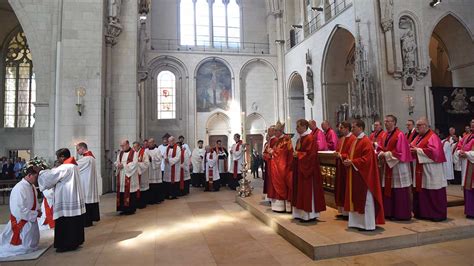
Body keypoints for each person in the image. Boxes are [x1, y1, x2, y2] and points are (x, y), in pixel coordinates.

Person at [38, 148, 86, 252]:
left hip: (66, 199)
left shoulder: (65, 167)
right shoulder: (74, 166)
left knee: (65, 222)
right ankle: (75, 242)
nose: (58, 160)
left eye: (58, 157)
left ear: (62, 157)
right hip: (73, 198)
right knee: (74, 221)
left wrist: (40, 172)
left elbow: (50, 177)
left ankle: (65, 245)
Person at [343, 119, 385, 231]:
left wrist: (352, 162)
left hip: (364, 177)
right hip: (355, 175)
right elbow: (351, 155)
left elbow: (367, 160)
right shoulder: (356, 141)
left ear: (360, 128)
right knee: (356, 199)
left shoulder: (366, 141)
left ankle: (367, 224)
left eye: (354, 127)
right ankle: (357, 223)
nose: (352, 129)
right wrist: (348, 160)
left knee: (365, 201)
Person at [0, 160, 42, 257]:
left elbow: (35, 200)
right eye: (35, 177)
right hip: (22, 220)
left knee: (32, 243)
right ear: (29, 175)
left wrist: (38, 210)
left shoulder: (31, 186)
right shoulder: (19, 188)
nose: (36, 180)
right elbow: (17, 209)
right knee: (23, 246)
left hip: (30, 219)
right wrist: (34, 214)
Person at [410, 118, 448, 222]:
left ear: (426, 125)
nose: (417, 127)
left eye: (419, 125)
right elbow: (413, 146)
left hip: (432, 169)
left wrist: (417, 150)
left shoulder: (433, 136)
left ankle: (436, 214)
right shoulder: (418, 137)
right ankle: (423, 213)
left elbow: (435, 152)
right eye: (417, 125)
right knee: (423, 191)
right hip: (421, 168)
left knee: (432, 192)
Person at [378, 115, 413, 221]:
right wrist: (379, 153)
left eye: (388, 121)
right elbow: (380, 147)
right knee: (389, 189)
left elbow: (400, 152)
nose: (386, 123)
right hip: (388, 166)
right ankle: (389, 212)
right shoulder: (384, 135)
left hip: (398, 166)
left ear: (394, 122)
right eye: (385, 121)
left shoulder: (400, 135)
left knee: (399, 189)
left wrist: (386, 154)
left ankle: (401, 214)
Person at [292, 119, 326, 222]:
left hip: (308, 170)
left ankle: (309, 215)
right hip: (300, 169)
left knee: (307, 191)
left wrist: (298, 155)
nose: (296, 128)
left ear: (304, 127)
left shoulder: (310, 138)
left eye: (298, 126)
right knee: (300, 191)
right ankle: (300, 214)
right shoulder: (299, 139)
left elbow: (311, 155)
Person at [268, 121, 293, 212]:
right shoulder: (278, 140)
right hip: (276, 165)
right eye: (274, 131)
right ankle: (278, 206)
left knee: (283, 184)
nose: (274, 133)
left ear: (280, 131)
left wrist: (272, 152)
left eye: (276, 131)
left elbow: (282, 153)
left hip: (283, 166)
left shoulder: (286, 139)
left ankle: (285, 206)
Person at [334, 121, 357, 219]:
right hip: (341, 168)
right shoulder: (342, 139)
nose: (340, 129)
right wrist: (337, 154)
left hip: (348, 168)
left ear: (347, 128)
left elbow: (353, 154)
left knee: (347, 189)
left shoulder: (353, 139)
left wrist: (341, 156)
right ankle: (343, 212)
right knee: (341, 188)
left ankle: (348, 212)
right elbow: (338, 150)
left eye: (341, 128)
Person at [76, 142, 100, 227]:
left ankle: (86, 221)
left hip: (86, 184)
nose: (77, 151)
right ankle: (90, 220)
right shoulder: (91, 158)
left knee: (86, 202)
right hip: (89, 183)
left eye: (78, 149)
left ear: (83, 148)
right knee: (89, 202)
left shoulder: (86, 159)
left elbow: (75, 167)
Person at [454, 119, 474, 219]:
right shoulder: (466, 137)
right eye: (472, 123)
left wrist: (466, 153)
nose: (473, 125)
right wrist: (459, 153)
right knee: (468, 188)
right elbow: (459, 147)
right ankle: (470, 211)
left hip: (471, 164)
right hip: (467, 165)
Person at [115, 140, 139, 215]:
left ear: (128, 144)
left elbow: (134, 164)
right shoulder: (120, 153)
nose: (122, 147)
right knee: (122, 191)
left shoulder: (133, 153)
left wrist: (124, 166)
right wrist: (117, 165)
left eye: (123, 145)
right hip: (122, 175)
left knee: (130, 192)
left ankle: (130, 209)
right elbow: (117, 161)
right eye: (121, 146)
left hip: (129, 176)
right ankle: (123, 209)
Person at [147, 138, 164, 204]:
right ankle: (150, 200)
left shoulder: (157, 150)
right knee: (150, 186)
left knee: (156, 186)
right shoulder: (146, 150)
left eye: (151, 142)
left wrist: (151, 158)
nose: (149, 144)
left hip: (156, 172)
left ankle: (157, 199)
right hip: (149, 171)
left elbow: (159, 160)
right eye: (149, 142)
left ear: (154, 143)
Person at [133, 141, 150, 209]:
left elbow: (147, 164)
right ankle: (137, 203)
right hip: (135, 174)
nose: (134, 148)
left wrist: (138, 164)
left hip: (142, 174)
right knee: (136, 188)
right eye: (133, 147)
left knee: (143, 189)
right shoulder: (133, 153)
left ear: (139, 146)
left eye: (135, 147)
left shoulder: (144, 153)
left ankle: (143, 203)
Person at [263, 126, 277, 201]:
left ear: (273, 131)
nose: (268, 132)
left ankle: (272, 196)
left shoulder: (275, 140)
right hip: (269, 163)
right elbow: (267, 151)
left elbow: (275, 153)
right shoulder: (270, 140)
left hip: (272, 163)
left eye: (269, 131)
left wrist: (267, 155)